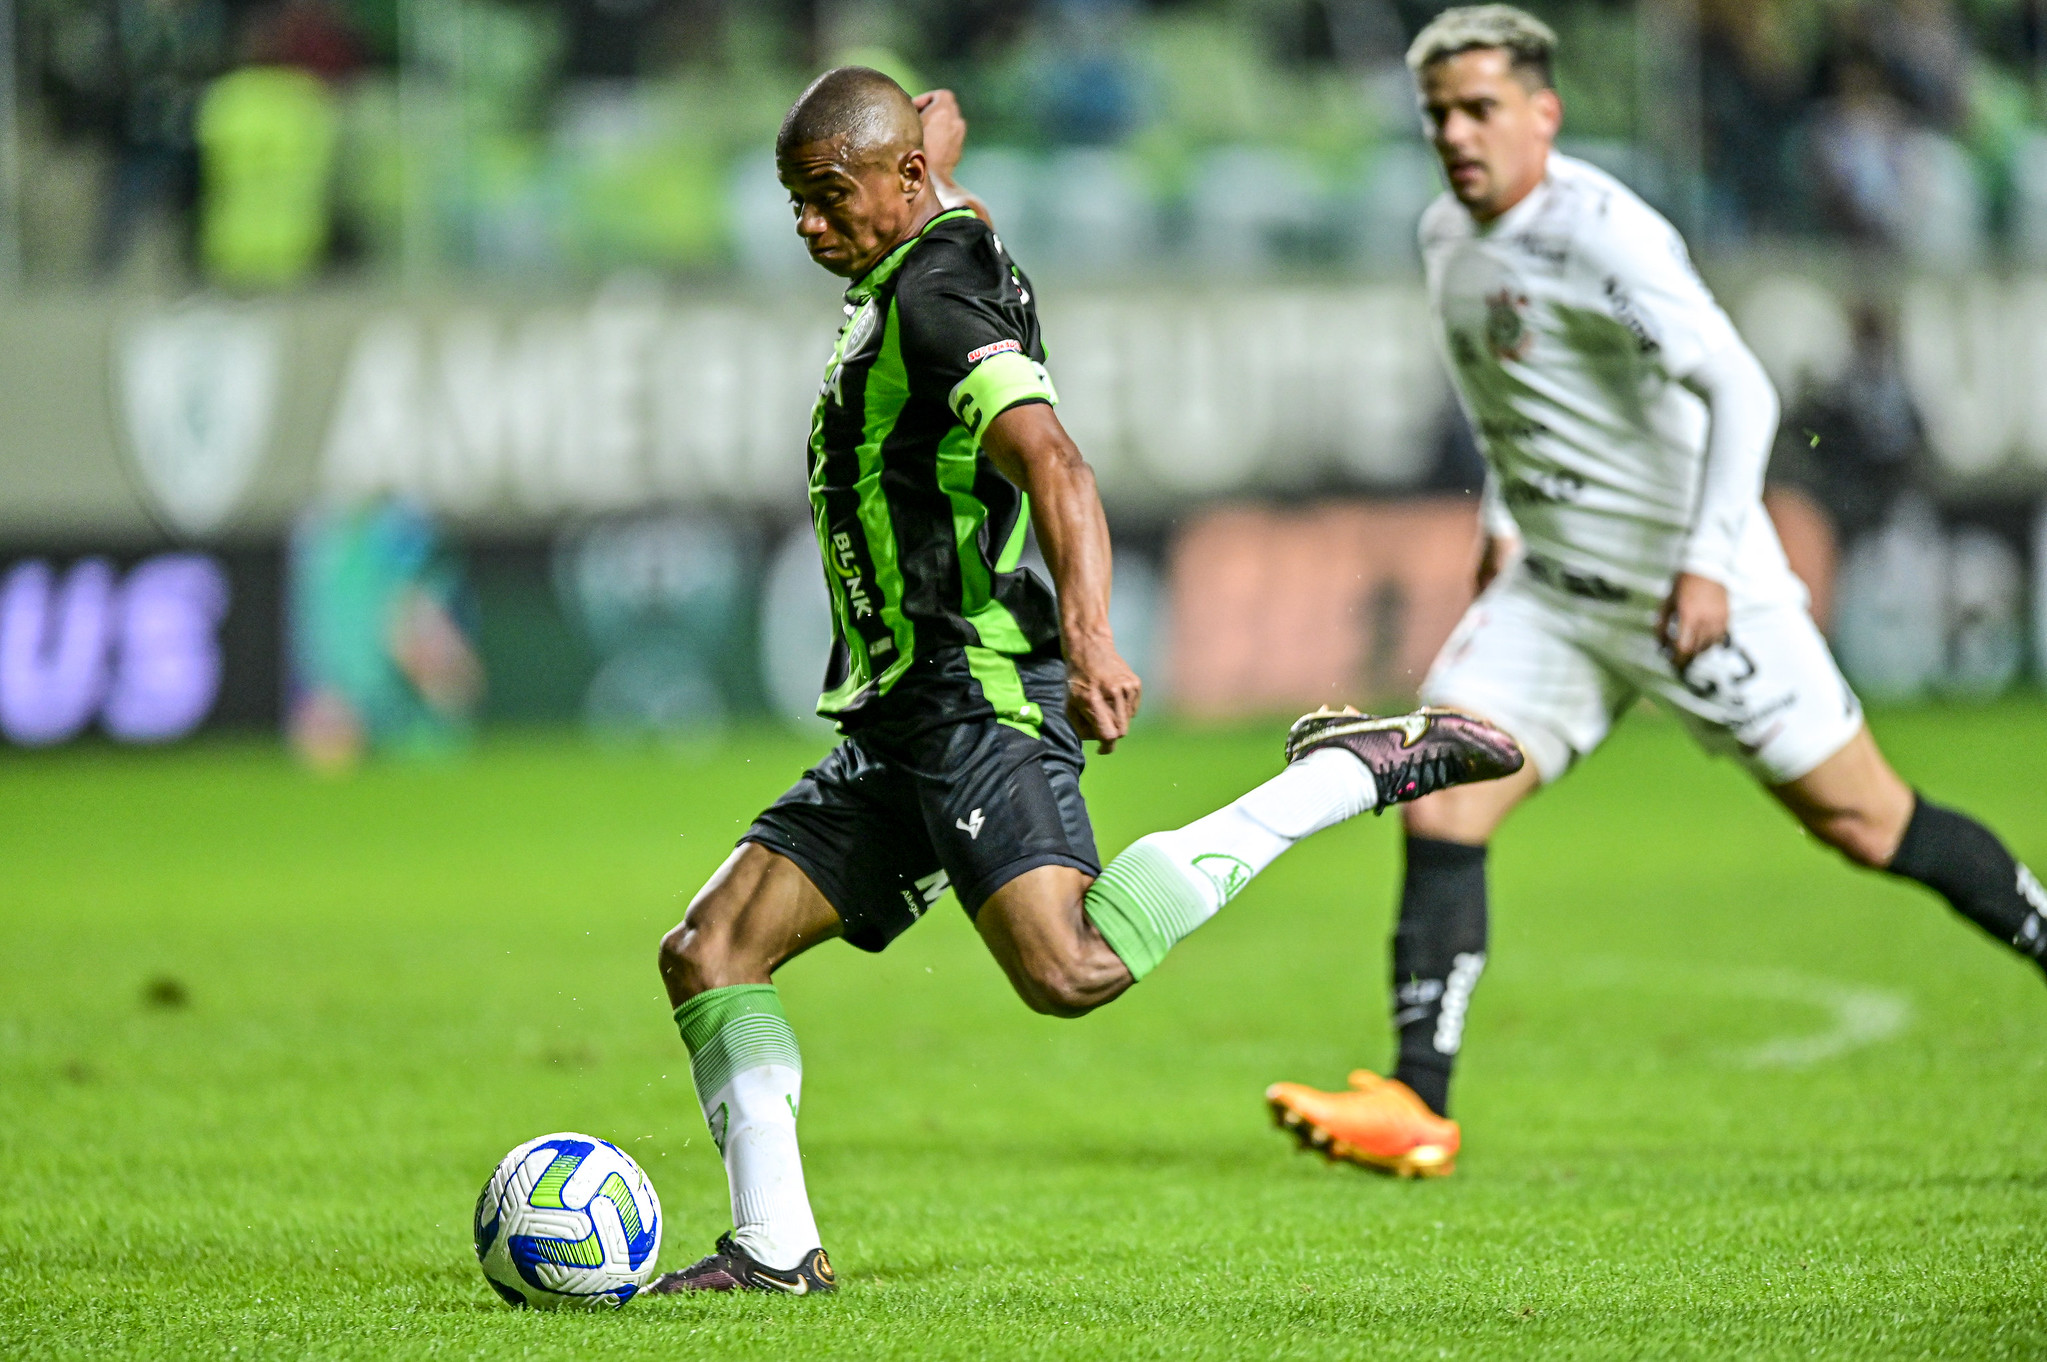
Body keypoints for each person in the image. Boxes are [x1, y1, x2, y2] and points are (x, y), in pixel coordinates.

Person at [647, 66, 1524, 1293]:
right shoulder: (945, 237)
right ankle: (774, 1248)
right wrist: (933, 146)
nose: (805, 224)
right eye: (794, 199)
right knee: (710, 950)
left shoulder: (936, 304)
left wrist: (1097, 639)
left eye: (826, 196)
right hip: (899, 717)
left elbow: (1055, 460)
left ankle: (1341, 775)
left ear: (902, 182)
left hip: (974, 693)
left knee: (1066, 970)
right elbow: (934, 165)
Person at [1265, 5, 2047, 1180]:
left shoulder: (1603, 237)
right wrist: (1499, 518)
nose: (1456, 136)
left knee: (1866, 823)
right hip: (1555, 594)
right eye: (1437, 115)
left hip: (1692, 583)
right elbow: (1512, 399)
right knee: (1440, 799)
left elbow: (1740, 390)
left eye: (1480, 110)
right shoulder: (1445, 235)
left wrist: (1703, 561)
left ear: (1544, 113)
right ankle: (1416, 1106)